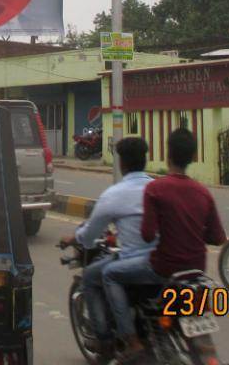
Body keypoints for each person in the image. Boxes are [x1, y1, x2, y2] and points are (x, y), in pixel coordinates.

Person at [102, 129, 225, 362]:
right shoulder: (203, 192)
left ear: (168, 155)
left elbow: (148, 235)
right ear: (193, 156)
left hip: (163, 268)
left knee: (109, 274)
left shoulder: (156, 189)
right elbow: (218, 237)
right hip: (197, 271)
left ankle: (131, 341)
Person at [59, 137, 154, 354]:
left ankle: (106, 339)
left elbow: (90, 233)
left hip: (136, 260)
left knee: (93, 276)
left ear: (121, 163)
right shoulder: (156, 187)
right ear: (144, 160)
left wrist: (73, 238)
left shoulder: (114, 194)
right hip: (164, 259)